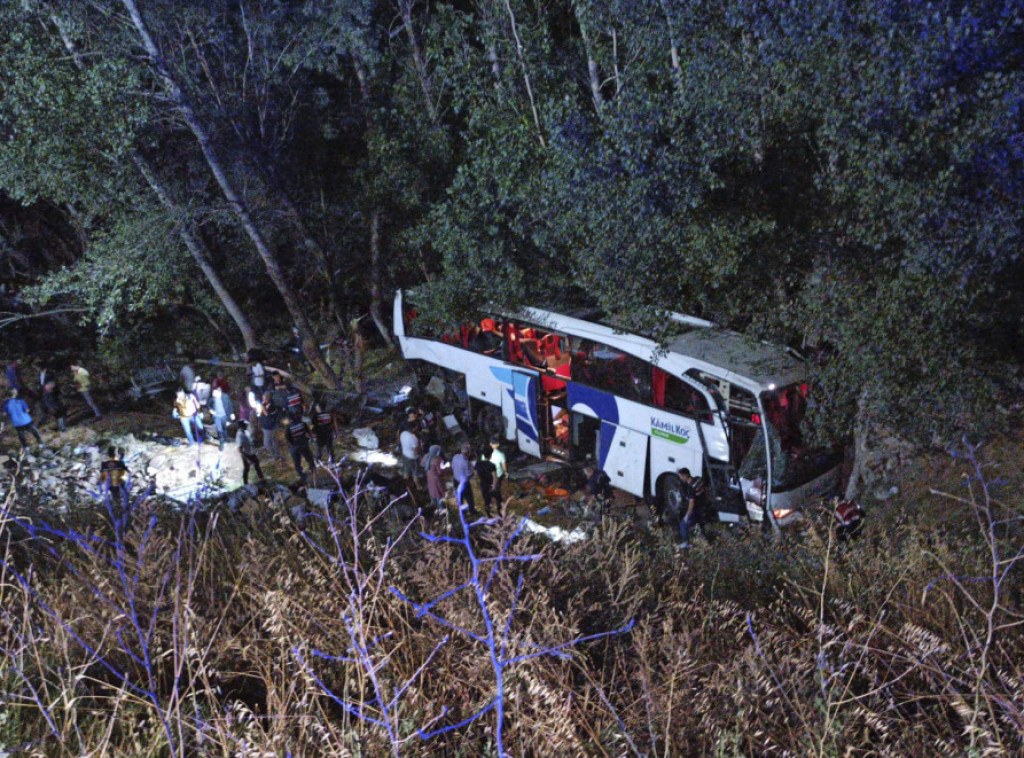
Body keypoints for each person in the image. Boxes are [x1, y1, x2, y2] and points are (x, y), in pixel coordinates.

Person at [284, 416, 316, 482]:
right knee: (309, 458)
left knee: (297, 462)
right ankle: (313, 470)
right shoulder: (302, 423)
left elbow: (288, 439)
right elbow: (309, 432)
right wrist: (311, 438)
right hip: (304, 444)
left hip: (295, 446)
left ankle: (302, 475)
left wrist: (292, 445)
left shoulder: (288, 427)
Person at [676, 468, 700, 549]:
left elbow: (691, 503)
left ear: (685, 476)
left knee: (683, 524)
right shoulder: (698, 479)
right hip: (703, 506)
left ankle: (686, 543)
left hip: (697, 509)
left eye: (681, 477)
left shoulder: (690, 488)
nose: (681, 479)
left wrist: (687, 515)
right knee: (700, 524)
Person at [451, 442, 476, 514]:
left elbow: (452, 467)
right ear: (468, 453)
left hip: (455, 480)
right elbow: (468, 475)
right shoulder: (465, 462)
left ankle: (462, 511)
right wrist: (473, 473)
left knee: (460, 497)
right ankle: (472, 510)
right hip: (463, 483)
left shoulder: (455, 457)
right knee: (469, 497)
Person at [423, 444, 448, 515]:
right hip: (436, 479)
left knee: (432, 492)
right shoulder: (437, 460)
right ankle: (441, 509)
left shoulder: (426, 457)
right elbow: (440, 472)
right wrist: (444, 466)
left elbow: (422, 464)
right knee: (439, 493)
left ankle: (434, 507)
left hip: (429, 478)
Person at [399, 416, 422, 491]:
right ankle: (418, 486)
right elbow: (416, 451)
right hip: (413, 457)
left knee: (406, 470)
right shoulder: (413, 438)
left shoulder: (402, 434)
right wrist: (420, 447)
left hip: (405, 455)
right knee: (415, 472)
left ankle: (406, 486)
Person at [209, 387, 235, 451]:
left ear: (219, 392)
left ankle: (226, 439)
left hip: (224, 416)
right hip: (217, 417)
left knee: (224, 428)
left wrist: (232, 413)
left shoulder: (225, 397)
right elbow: (208, 405)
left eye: (214, 392)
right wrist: (210, 410)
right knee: (219, 430)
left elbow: (229, 405)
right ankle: (221, 443)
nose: (212, 393)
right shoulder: (212, 399)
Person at [474, 448, 498, 516]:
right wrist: (494, 485)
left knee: (486, 499)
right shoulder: (491, 465)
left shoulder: (478, 464)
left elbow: (476, 474)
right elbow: (494, 477)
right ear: (490, 456)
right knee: (494, 498)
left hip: (483, 484)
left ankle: (488, 512)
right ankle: (494, 511)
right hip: (490, 484)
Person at [258, 390, 281, 459]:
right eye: (263, 398)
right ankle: (276, 455)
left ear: (268, 398)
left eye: (264, 398)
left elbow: (267, 415)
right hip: (265, 425)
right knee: (273, 440)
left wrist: (262, 407)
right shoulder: (264, 404)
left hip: (270, 427)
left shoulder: (272, 405)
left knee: (267, 443)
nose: (263, 400)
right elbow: (260, 413)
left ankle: (274, 454)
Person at [489, 436, 507, 506]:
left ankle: (490, 501)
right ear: (498, 444)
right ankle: (499, 502)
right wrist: (505, 473)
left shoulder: (485, 454)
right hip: (498, 475)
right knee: (497, 488)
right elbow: (504, 466)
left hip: (489, 475)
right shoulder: (501, 455)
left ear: (490, 444)